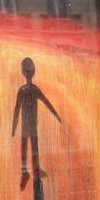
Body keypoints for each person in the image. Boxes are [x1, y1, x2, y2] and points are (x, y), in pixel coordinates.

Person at [11, 57, 61, 190]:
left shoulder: (23, 91)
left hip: (27, 126)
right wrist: (56, 114)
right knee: (33, 148)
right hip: (31, 126)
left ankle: (27, 171)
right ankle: (32, 170)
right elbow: (47, 103)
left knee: (27, 147)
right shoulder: (32, 90)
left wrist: (14, 128)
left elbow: (17, 110)